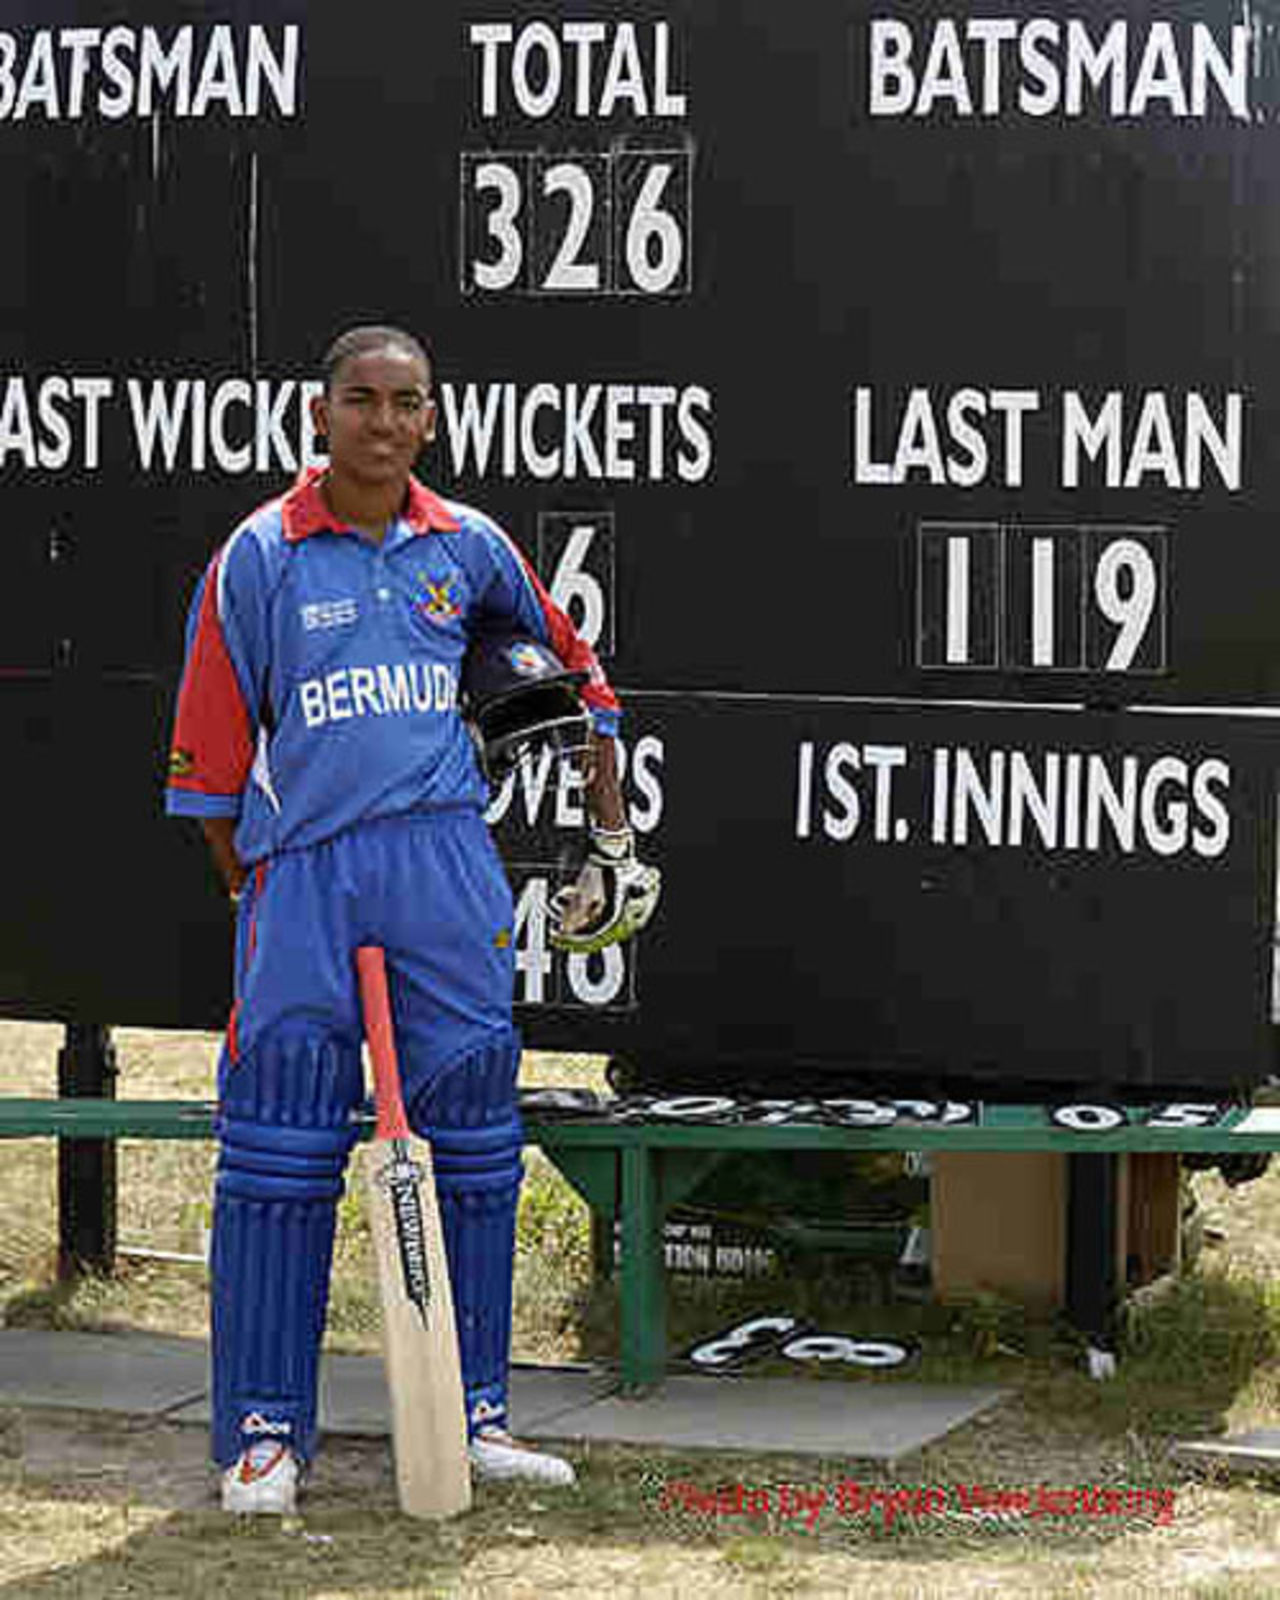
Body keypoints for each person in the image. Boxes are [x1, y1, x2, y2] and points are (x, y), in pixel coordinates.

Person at [166, 324, 651, 1513]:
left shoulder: (469, 546)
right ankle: (264, 1435)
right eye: (362, 400)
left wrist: (610, 829)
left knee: (476, 1144)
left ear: (430, 419)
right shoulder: (260, 555)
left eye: (407, 403)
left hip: (443, 866)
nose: (384, 422)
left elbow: (583, 688)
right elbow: (211, 765)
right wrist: (259, 883)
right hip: (308, 876)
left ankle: (474, 1413)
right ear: (320, 413)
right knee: (279, 1148)